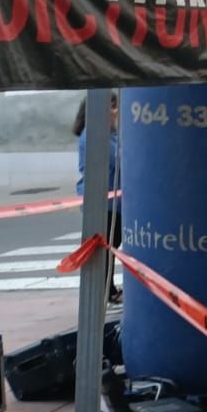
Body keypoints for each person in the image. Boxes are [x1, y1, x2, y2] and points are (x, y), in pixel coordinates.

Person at [74, 92, 122, 304]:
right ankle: (104, 293)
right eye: (112, 107)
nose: (116, 111)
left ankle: (107, 291)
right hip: (105, 201)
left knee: (109, 247)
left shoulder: (107, 132)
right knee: (106, 248)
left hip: (111, 199)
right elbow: (118, 159)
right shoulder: (96, 133)